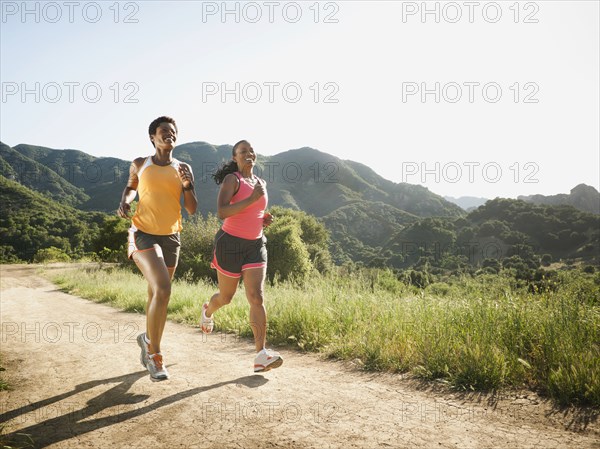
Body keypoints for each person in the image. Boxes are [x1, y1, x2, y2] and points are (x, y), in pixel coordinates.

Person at [117, 116, 197, 381]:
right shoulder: (141, 164)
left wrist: (188, 185)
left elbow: (192, 208)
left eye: (173, 132)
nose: (169, 135)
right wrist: (125, 202)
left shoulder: (183, 167)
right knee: (163, 288)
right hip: (143, 233)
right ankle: (155, 354)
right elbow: (131, 188)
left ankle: (147, 339)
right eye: (164, 131)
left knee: (156, 295)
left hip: (171, 236)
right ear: (153, 137)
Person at [201, 139, 282, 373]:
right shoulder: (232, 180)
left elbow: (253, 210)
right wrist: (251, 199)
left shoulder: (260, 182)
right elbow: (222, 211)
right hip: (230, 244)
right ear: (235, 158)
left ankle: (261, 355)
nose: (249, 153)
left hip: (256, 244)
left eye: (251, 150)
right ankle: (207, 311)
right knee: (225, 298)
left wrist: (264, 218)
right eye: (243, 151)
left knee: (256, 297)